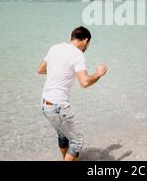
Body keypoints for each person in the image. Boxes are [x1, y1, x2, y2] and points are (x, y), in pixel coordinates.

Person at [37, 26, 108, 161]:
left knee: (63, 136)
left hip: (44, 103)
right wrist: (99, 74)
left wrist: (61, 71)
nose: (87, 47)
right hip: (58, 106)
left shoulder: (55, 48)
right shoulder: (78, 54)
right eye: (88, 44)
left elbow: (40, 70)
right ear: (86, 40)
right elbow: (85, 82)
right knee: (77, 141)